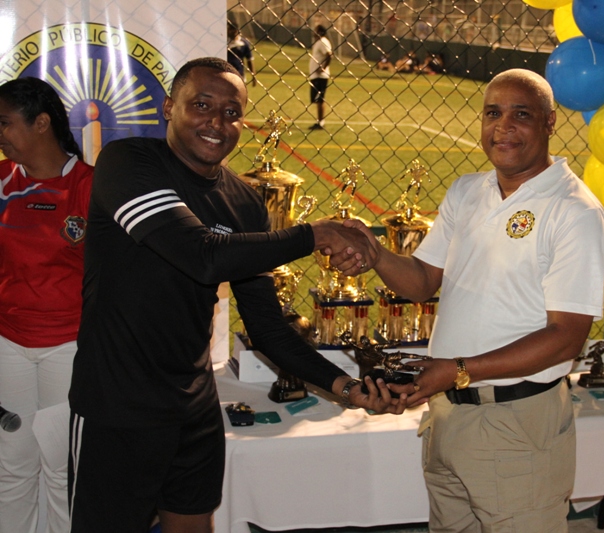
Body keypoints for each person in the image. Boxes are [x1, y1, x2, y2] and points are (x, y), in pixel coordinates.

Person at [67, 57, 405, 533]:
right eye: (201, 105)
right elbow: (201, 255)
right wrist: (315, 234)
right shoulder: (130, 163)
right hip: (118, 404)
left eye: (231, 112)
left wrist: (348, 388)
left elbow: (267, 329)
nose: (217, 122)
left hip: (194, 406)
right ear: (169, 107)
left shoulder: (243, 202)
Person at [344, 69, 604, 532]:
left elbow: (566, 338)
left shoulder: (575, 212)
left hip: (516, 424)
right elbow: (422, 282)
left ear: (549, 122)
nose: (503, 127)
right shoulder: (468, 190)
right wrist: (376, 255)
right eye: (493, 113)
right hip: (449, 414)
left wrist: (457, 370)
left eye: (521, 114)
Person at [0, 77, 93, 533]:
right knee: (11, 465)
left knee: (62, 469)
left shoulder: (89, 186)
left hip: (68, 348)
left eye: (5, 123)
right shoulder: (2, 180)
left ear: (41, 123)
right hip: (8, 345)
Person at [308, 25, 332, 130]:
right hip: (315, 76)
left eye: (316, 30)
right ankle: (319, 121)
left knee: (320, 99)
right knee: (317, 99)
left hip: (320, 76)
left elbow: (329, 55)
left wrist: (323, 67)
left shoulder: (323, 41)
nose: (313, 32)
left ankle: (321, 122)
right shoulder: (318, 42)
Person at [227, 20, 256, 87]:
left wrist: (253, 75)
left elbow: (249, 60)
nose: (228, 31)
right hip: (226, 72)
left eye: (230, 29)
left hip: (239, 73)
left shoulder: (244, 43)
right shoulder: (224, 42)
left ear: (236, 30)